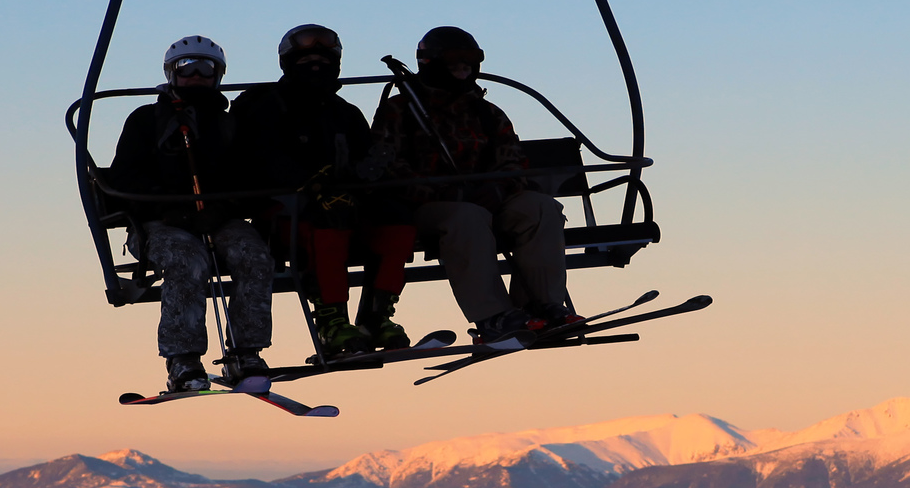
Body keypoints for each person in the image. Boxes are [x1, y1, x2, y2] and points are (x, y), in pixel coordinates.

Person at [364, 26, 577, 347]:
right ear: (431, 62)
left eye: (472, 59)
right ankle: (493, 316)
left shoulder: (486, 113)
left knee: (540, 207)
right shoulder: (402, 111)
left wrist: (496, 189)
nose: (464, 66)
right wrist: (446, 192)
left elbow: (513, 162)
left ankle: (541, 305)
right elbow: (390, 168)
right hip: (425, 207)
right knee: (466, 218)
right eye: (454, 59)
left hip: (488, 200)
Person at [231, 24, 417, 359]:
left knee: (397, 219)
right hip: (284, 210)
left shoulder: (344, 113)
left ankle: (376, 318)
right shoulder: (265, 106)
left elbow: (365, 161)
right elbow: (260, 158)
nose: (316, 65)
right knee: (329, 217)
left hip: (345, 207)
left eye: (323, 57)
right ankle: (333, 323)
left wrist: (370, 180)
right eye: (306, 58)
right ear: (289, 62)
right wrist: (312, 184)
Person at [100, 35, 273, 392]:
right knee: (186, 259)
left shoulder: (229, 124)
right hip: (158, 224)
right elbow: (124, 177)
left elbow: (250, 175)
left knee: (253, 254)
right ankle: (183, 359)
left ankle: (247, 352)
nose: (196, 76)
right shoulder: (146, 120)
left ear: (218, 76)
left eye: (205, 68)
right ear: (171, 73)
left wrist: (224, 207)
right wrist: (168, 207)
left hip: (218, 217)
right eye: (186, 68)